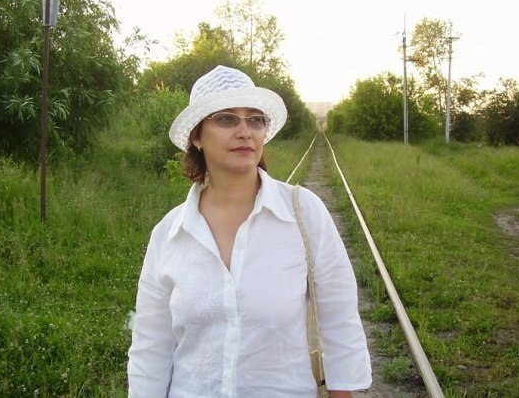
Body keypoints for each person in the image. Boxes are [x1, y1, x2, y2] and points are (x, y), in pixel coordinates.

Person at [127, 65, 372, 397]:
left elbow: (340, 322)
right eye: (227, 119)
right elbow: (150, 348)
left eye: (255, 120)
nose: (245, 131)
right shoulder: (169, 234)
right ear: (196, 137)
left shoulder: (303, 213)